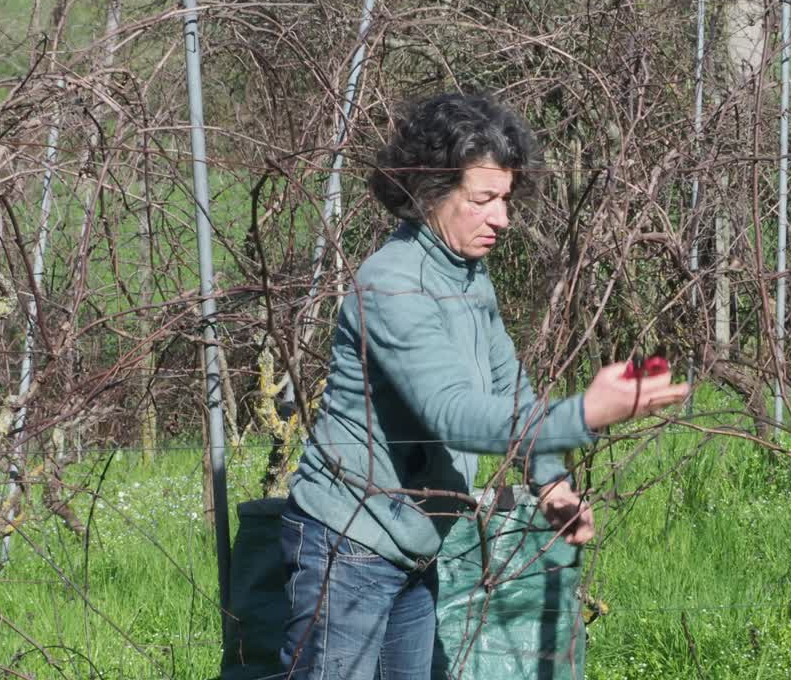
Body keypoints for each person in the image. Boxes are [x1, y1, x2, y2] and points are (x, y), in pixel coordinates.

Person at [279, 92, 689, 679]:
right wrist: (586, 412)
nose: (503, 217)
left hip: (412, 544)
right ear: (430, 195)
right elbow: (453, 413)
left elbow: (508, 386)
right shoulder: (393, 284)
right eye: (483, 200)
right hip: (347, 546)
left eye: (505, 198)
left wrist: (551, 482)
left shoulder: (469, 277)